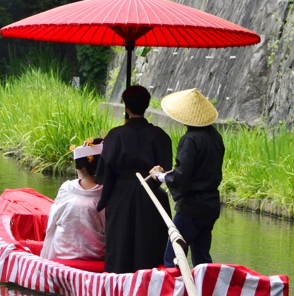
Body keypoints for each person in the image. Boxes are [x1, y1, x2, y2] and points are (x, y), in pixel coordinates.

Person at [96, 85, 173, 274]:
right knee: (149, 246)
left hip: (121, 196)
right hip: (152, 195)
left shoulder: (115, 135)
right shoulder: (161, 136)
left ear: (126, 107)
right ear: (146, 105)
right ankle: (150, 284)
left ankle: (117, 287)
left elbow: (104, 174)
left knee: (120, 247)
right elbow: (165, 171)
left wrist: (105, 200)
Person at [148, 89, 225, 268]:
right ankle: (205, 291)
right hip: (211, 205)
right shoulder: (215, 136)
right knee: (201, 256)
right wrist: (168, 175)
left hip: (192, 207)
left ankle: (174, 293)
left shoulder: (190, 139)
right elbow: (195, 172)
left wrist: (159, 176)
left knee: (174, 255)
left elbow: (181, 177)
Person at [41, 137, 106, 261]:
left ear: (81, 168)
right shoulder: (105, 194)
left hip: (63, 252)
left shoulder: (67, 188)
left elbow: (53, 219)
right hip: (95, 254)